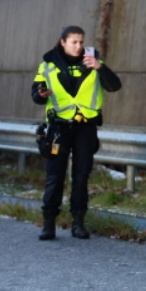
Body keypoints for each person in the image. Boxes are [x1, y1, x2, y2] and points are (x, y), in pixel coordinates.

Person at [31, 25, 121, 240]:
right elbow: (36, 94)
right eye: (74, 42)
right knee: (55, 176)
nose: (79, 46)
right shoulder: (48, 64)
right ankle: (49, 223)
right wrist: (42, 94)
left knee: (81, 176)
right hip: (58, 128)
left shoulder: (93, 62)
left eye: (81, 42)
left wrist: (99, 67)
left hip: (85, 128)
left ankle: (78, 222)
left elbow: (114, 85)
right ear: (63, 42)